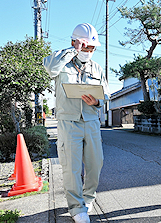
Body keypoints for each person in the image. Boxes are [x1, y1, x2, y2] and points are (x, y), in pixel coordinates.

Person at [43, 23, 110, 223]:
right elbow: (50, 68)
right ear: (74, 42)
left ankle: (88, 198)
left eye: (92, 48)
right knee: (71, 166)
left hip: (90, 120)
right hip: (68, 122)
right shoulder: (61, 62)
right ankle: (76, 207)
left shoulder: (96, 68)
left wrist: (97, 101)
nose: (89, 52)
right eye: (86, 47)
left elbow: (106, 94)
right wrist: (73, 51)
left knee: (95, 163)